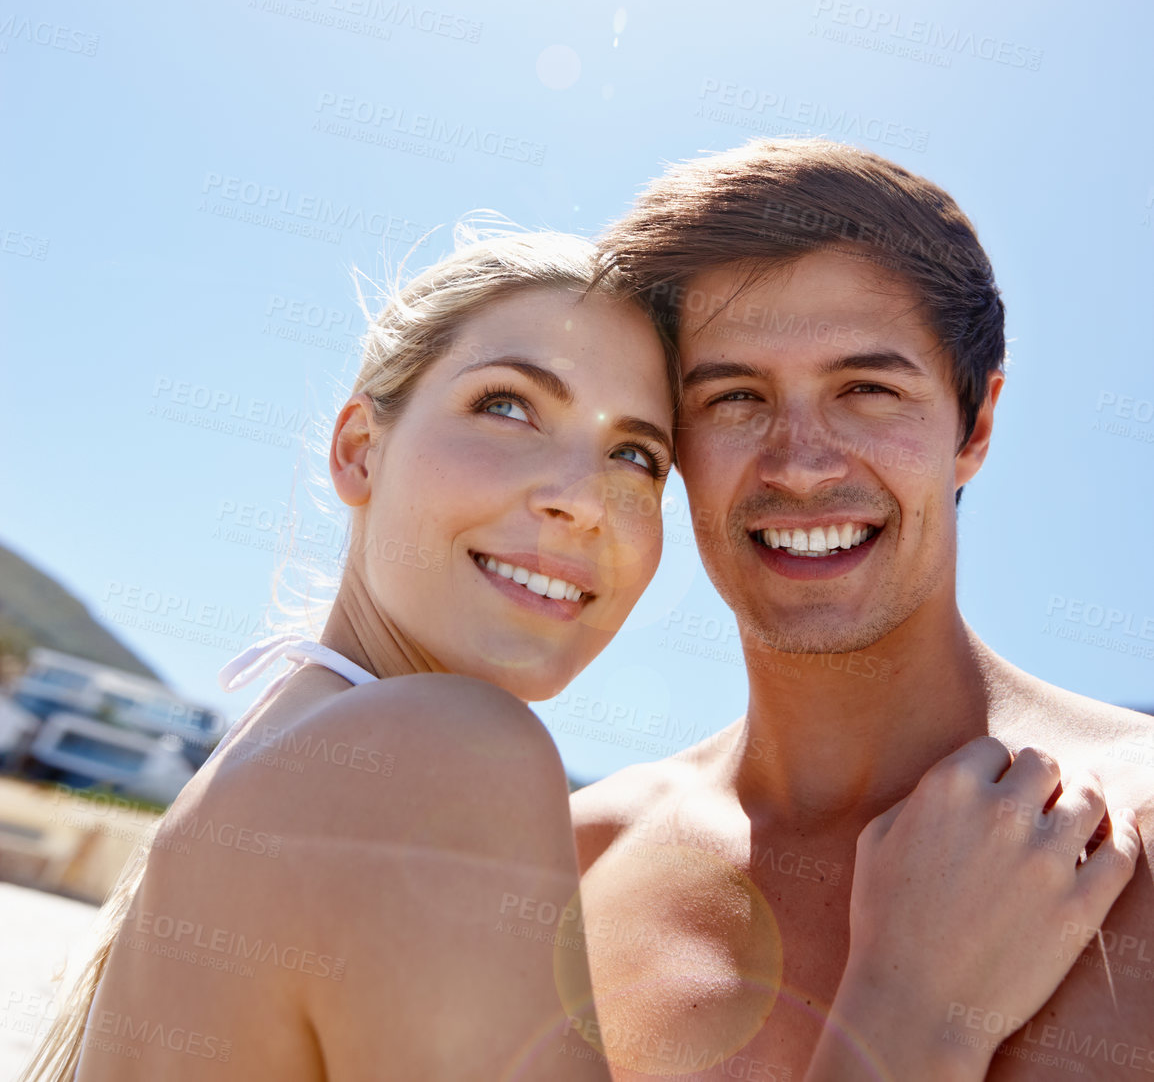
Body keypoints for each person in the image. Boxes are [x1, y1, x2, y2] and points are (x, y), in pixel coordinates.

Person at [25, 228, 1138, 1082]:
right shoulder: (440, 754)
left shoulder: (297, 757)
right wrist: (909, 1016)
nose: (575, 500)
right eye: (509, 404)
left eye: (633, 455)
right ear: (360, 447)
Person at [575, 139, 1154, 1082]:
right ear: (671, 444)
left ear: (974, 427)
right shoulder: (576, 867)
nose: (800, 462)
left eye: (867, 389)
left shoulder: (1136, 824)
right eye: (732, 398)